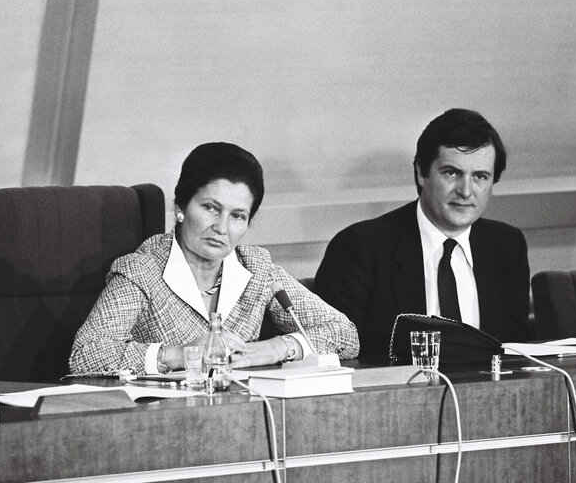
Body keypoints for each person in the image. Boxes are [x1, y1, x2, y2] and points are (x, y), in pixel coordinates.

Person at [69, 142, 359, 375]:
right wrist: (180, 354)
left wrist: (277, 348)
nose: (221, 227)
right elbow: (85, 354)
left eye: (237, 216)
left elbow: (345, 335)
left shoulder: (257, 269)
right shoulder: (143, 270)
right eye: (210, 207)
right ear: (180, 206)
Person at [314, 108, 530, 363]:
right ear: (421, 173)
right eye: (451, 173)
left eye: (480, 177)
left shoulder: (507, 246)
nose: (466, 191)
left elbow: (516, 352)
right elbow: (336, 354)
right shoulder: (359, 248)